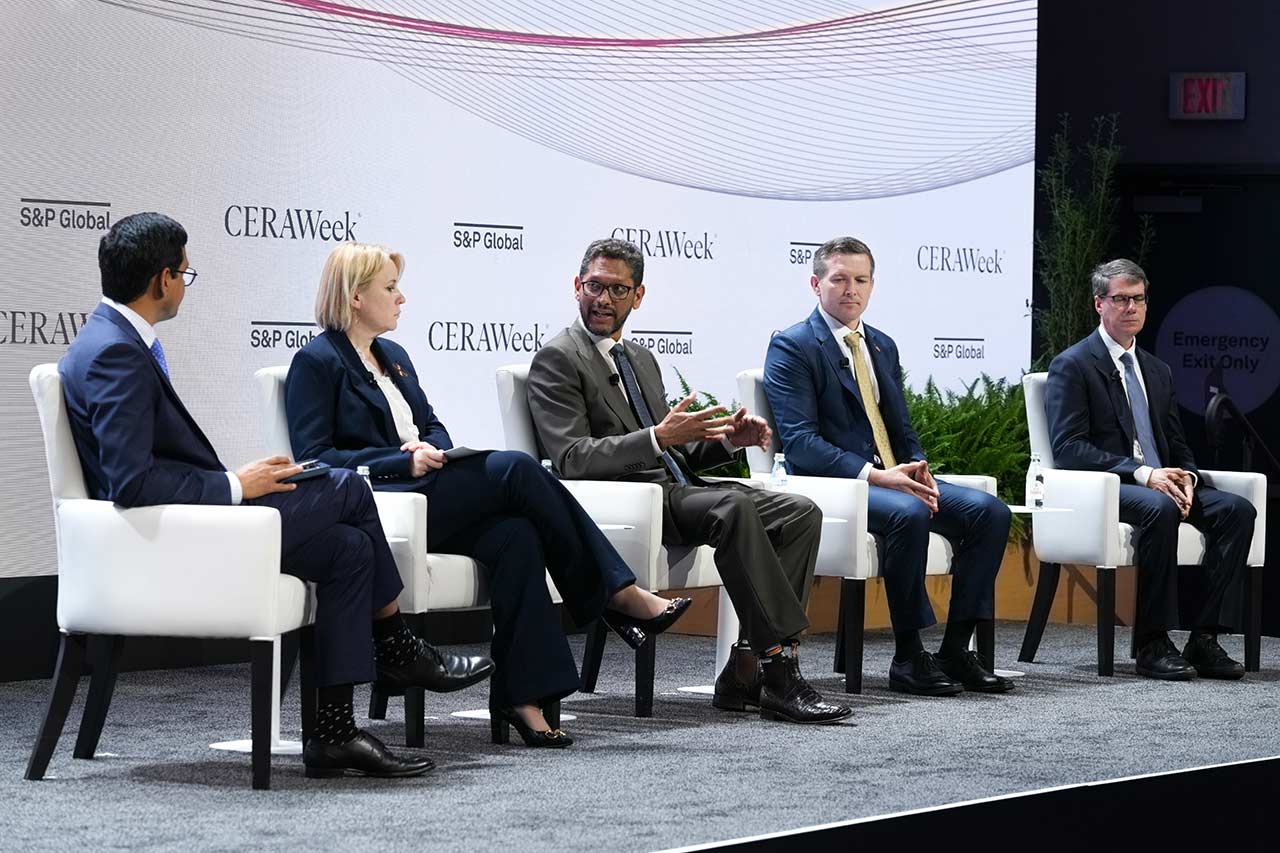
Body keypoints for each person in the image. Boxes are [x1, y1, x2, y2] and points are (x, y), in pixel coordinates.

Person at [59, 212, 495, 780]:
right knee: (343, 484)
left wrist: (238, 479)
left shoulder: (110, 340)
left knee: (347, 550)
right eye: (185, 275)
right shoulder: (114, 352)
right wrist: (236, 484)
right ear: (163, 279)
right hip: (171, 537)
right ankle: (395, 643)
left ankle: (334, 734)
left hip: (183, 522)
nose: (185, 285)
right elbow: (130, 483)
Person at [285, 241, 690, 747]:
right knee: (518, 467)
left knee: (516, 535)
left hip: (428, 489)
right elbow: (316, 460)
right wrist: (400, 460)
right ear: (355, 297)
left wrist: (431, 447)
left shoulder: (395, 357)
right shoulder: (317, 362)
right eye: (390, 288)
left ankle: (522, 698)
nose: (401, 298)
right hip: (385, 502)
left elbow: (432, 425)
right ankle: (615, 594)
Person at [527, 238, 852, 725]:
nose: (603, 300)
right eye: (594, 286)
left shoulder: (640, 358)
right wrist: (657, 437)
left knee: (800, 511)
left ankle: (744, 671)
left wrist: (729, 442)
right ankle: (780, 671)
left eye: (618, 290)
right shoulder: (559, 358)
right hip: (625, 502)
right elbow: (572, 459)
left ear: (638, 297)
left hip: (676, 489)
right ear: (577, 286)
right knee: (734, 509)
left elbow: (674, 451)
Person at [764, 236, 1014, 696]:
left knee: (990, 512)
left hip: (893, 477)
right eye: (840, 279)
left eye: (861, 280)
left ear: (872, 286)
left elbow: (900, 426)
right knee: (909, 513)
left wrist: (917, 467)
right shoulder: (793, 346)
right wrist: (878, 476)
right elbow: (801, 444)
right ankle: (909, 656)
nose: (851, 290)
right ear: (816, 284)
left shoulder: (881, 345)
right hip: (837, 484)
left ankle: (955, 650)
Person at [1045, 259, 1254, 681]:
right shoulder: (1074, 364)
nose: (1131, 308)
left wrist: (1188, 478)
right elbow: (1069, 449)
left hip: (1162, 484)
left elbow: (1176, 443)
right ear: (1099, 304)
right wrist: (1142, 473)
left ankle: (1204, 637)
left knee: (1237, 511)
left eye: (1138, 299)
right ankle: (1152, 643)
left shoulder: (1157, 370)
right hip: (1110, 486)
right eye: (1121, 299)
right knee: (1159, 508)